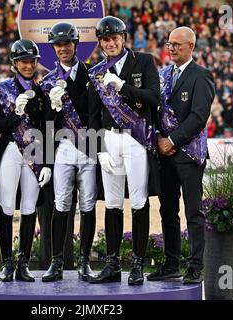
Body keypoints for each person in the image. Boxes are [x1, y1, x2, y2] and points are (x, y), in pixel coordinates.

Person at [87, 16, 160, 285]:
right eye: (105, 39)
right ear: (100, 42)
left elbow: (154, 97)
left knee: (139, 201)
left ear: (123, 38)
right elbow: (93, 117)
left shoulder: (143, 61)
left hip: (136, 139)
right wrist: (97, 149)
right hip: (109, 140)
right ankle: (112, 265)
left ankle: (138, 264)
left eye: (114, 38)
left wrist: (124, 88)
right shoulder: (95, 72)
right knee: (113, 203)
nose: (110, 43)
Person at [147, 27, 214, 284]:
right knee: (167, 210)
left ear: (191, 47)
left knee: (194, 211)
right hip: (164, 154)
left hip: (189, 155)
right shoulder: (163, 75)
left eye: (177, 44)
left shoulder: (201, 76)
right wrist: (159, 141)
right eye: (169, 43)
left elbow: (199, 116)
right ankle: (171, 263)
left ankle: (196, 266)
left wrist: (172, 140)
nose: (171, 48)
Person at [41, 22, 97, 282]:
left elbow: (97, 113)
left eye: (67, 44)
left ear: (75, 45)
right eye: (58, 45)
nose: (63, 49)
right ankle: (57, 261)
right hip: (63, 146)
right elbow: (46, 124)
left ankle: (85, 261)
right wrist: (53, 106)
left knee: (87, 205)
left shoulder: (92, 75)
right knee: (60, 204)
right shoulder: (48, 81)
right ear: (54, 48)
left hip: (90, 144)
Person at [0, 39, 52, 282]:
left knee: (29, 207)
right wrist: (15, 114)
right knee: (6, 205)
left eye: (32, 61)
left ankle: (23, 263)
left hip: (33, 153)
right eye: (24, 62)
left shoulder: (42, 90)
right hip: (9, 149)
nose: (28, 66)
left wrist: (47, 161)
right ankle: (6, 263)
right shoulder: (1, 88)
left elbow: (47, 127)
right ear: (15, 63)